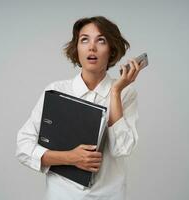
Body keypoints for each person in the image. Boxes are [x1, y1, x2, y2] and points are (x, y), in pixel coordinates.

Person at [16, 16, 143, 200]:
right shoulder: (56, 91)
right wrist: (70, 157)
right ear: (77, 49)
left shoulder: (125, 93)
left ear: (112, 50)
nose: (92, 47)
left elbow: (121, 149)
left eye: (101, 40)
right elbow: (23, 147)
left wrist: (115, 92)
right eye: (84, 40)